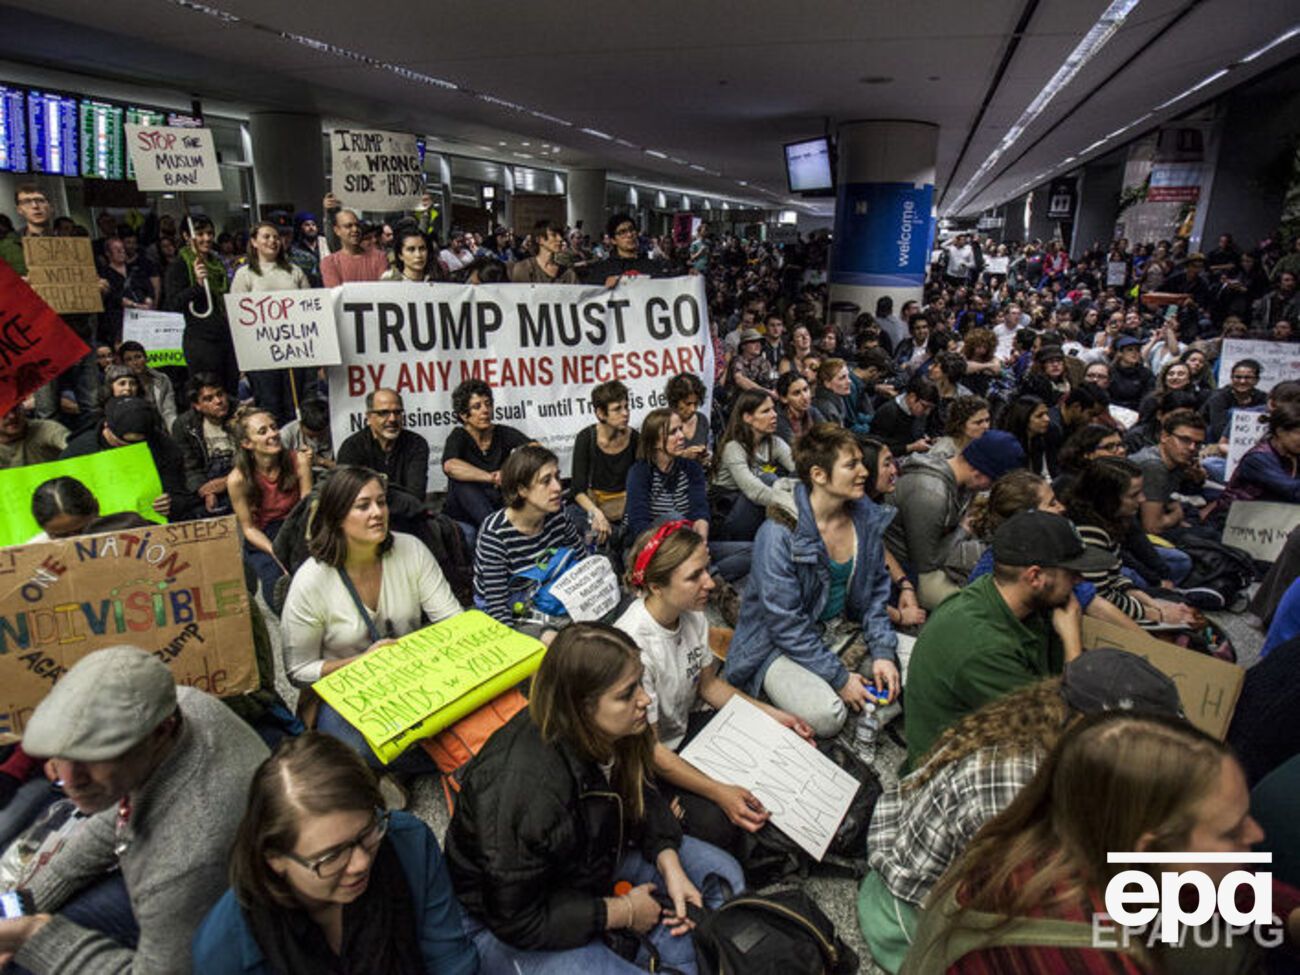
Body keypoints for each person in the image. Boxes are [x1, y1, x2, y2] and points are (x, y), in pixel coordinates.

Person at [445, 623, 744, 974]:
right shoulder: (524, 792)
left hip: (590, 863)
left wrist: (669, 861)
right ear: (583, 708)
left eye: (640, 682)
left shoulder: (616, 727)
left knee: (725, 880)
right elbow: (517, 918)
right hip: (504, 922)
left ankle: (658, 950)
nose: (645, 700)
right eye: (626, 693)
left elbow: (640, 791)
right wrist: (621, 912)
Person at [903, 712, 1300, 973]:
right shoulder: (1093, 962)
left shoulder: (1050, 831)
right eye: (1231, 832)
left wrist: (1284, 910)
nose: (1256, 834)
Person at [861, 652, 1182, 973]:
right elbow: (1018, 909)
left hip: (933, 873)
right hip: (906, 917)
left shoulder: (1048, 728)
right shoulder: (1015, 789)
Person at [0, 646, 267, 974]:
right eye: (61, 754)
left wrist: (34, 938)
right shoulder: (179, 703)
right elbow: (117, 816)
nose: (70, 780)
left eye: (95, 756)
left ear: (160, 732)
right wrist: (28, 901)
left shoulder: (186, 857)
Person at [194, 731, 477, 974]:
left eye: (368, 832)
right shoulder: (224, 951)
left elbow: (450, 960)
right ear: (275, 858)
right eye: (331, 856)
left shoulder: (409, 842)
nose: (361, 862)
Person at [615, 523, 813, 857]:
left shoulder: (693, 616)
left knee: (775, 748)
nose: (710, 582)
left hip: (684, 731)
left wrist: (774, 716)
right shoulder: (635, 647)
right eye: (695, 576)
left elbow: (710, 686)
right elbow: (650, 752)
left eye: (706, 569)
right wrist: (719, 791)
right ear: (656, 587)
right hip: (649, 758)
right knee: (721, 825)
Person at [724, 424, 901, 736]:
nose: (864, 471)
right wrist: (840, 678)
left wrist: (884, 653)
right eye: (851, 465)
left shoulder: (865, 519)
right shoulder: (778, 534)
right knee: (828, 717)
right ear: (819, 475)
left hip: (841, 630)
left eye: (861, 461)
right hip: (777, 645)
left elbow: (875, 594)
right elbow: (785, 624)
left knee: (905, 673)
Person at [903, 510, 1101, 770]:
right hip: (953, 779)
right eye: (1072, 574)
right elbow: (1062, 733)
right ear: (1035, 577)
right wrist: (1072, 641)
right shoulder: (982, 646)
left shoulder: (1015, 601)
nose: (1080, 581)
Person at [884, 430, 1025, 610]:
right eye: (991, 483)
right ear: (978, 474)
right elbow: (927, 563)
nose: (988, 489)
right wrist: (963, 529)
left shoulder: (955, 477)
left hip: (927, 553)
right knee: (984, 606)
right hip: (907, 571)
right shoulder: (930, 495)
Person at [473, 444, 584, 626]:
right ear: (522, 490)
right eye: (546, 481)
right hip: (509, 607)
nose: (557, 487)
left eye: (557, 476)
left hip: (545, 590)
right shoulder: (495, 533)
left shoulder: (558, 514)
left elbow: (582, 562)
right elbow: (497, 609)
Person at [226, 406, 312, 606]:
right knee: (274, 588)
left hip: (296, 526)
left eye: (274, 428)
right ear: (247, 443)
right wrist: (276, 552)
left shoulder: (298, 460)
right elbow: (248, 528)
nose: (273, 434)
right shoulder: (237, 479)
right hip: (264, 538)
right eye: (263, 432)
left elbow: (307, 507)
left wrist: (299, 545)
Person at [62, 396, 199, 521]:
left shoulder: (165, 448)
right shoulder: (78, 452)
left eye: (138, 444)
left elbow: (181, 493)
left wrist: (171, 503)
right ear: (107, 427)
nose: (130, 449)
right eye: (124, 443)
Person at [231, 222, 312, 425]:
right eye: (266, 237)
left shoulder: (295, 271)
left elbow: (310, 309)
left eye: (275, 237)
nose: (272, 241)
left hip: (295, 352)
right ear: (254, 242)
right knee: (270, 404)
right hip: (261, 356)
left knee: (295, 405)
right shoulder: (245, 274)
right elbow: (237, 318)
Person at [164, 214, 238, 397]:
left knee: (230, 391)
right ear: (186, 236)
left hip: (225, 338)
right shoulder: (179, 265)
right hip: (201, 342)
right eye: (200, 233)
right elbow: (173, 304)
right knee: (208, 394)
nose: (206, 238)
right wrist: (197, 285)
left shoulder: (217, 263)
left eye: (210, 233)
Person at [336, 388, 431, 528]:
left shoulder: (416, 444)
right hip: (365, 524)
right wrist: (396, 494)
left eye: (397, 412)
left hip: (406, 522)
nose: (392, 419)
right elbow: (350, 498)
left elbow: (415, 498)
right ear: (369, 417)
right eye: (383, 413)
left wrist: (378, 491)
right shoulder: (352, 447)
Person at [711, 389, 795, 542]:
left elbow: (799, 468)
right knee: (769, 479)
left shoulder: (774, 443)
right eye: (766, 411)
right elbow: (754, 491)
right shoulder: (733, 448)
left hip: (756, 512)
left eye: (773, 409)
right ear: (748, 418)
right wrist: (792, 502)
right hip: (729, 518)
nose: (774, 415)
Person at [569, 380, 639, 545]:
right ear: (601, 413)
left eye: (626, 407)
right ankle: (612, 541)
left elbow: (640, 485)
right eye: (617, 409)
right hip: (595, 508)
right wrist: (597, 514)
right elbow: (578, 490)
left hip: (624, 510)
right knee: (571, 516)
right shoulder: (586, 438)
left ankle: (613, 541)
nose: (625, 413)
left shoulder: (635, 438)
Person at [1130, 408, 1208, 537]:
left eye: (1198, 444)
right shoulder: (1154, 466)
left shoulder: (1178, 462)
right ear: (1164, 437)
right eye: (1185, 440)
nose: (1192, 448)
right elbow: (1152, 527)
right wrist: (1177, 514)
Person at [172, 372, 235, 516]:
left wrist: (228, 481)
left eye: (220, 394)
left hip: (241, 476)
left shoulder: (242, 415)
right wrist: (206, 490)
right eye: (208, 399)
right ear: (197, 405)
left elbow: (257, 460)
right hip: (206, 480)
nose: (218, 401)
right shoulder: (184, 425)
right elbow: (188, 466)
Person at [582, 213, 665, 285]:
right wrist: (603, 288)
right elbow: (590, 296)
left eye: (631, 229)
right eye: (622, 232)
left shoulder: (652, 266)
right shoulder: (602, 270)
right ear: (613, 240)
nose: (629, 235)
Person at [871, 373, 939, 458]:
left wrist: (929, 439)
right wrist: (911, 447)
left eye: (930, 408)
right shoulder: (888, 412)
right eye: (925, 407)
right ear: (912, 397)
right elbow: (876, 449)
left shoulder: (919, 410)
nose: (927, 412)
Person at [1201, 357, 1268, 442]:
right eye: (1238, 377)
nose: (1242, 381)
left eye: (1248, 378)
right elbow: (1218, 430)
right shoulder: (1218, 398)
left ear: (1256, 380)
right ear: (1231, 378)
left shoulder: (1263, 398)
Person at [320, 208, 388, 286]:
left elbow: (383, 290)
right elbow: (336, 294)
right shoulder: (329, 263)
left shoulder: (380, 257)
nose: (355, 229)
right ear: (337, 230)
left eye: (357, 225)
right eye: (348, 226)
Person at [117, 340, 177, 429]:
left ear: (146, 358)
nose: (135, 362)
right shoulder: (122, 385)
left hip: (160, 429)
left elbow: (169, 411)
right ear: (123, 364)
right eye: (129, 359)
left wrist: (174, 432)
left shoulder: (162, 379)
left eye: (138, 357)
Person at [996, 394, 1051, 477]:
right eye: (1039, 416)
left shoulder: (1039, 441)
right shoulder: (1007, 446)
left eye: (1046, 414)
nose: (1047, 419)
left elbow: (1044, 473)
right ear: (1024, 418)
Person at [510, 219, 578, 283]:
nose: (560, 239)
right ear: (539, 239)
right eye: (553, 235)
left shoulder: (568, 274)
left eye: (561, 235)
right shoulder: (524, 269)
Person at [278, 397, 335, 474]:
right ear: (301, 424)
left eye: (320, 434)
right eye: (311, 436)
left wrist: (320, 461)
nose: (316, 438)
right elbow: (279, 467)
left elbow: (345, 468)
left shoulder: (334, 430)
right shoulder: (286, 434)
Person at [665, 372, 710, 466]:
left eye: (696, 403)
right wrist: (683, 456)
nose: (693, 409)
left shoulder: (702, 420)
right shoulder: (662, 422)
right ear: (675, 401)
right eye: (687, 404)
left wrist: (704, 457)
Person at [0, 406, 67, 469]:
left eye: (15, 409)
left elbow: (67, 441)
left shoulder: (44, 428)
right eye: (3, 411)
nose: (12, 416)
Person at [927, 395, 991, 460]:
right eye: (978, 422)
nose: (986, 426)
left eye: (987, 420)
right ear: (961, 425)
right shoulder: (943, 453)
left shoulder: (979, 447)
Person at [774, 369, 825, 446]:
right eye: (797, 393)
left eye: (806, 389)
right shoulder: (779, 419)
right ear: (783, 398)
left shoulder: (812, 411)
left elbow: (829, 434)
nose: (805, 397)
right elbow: (796, 448)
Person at [1107, 335, 1154, 411]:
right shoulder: (1109, 372)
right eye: (1130, 350)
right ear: (1120, 353)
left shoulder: (1146, 373)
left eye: (1138, 350)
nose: (1135, 353)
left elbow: (1148, 397)